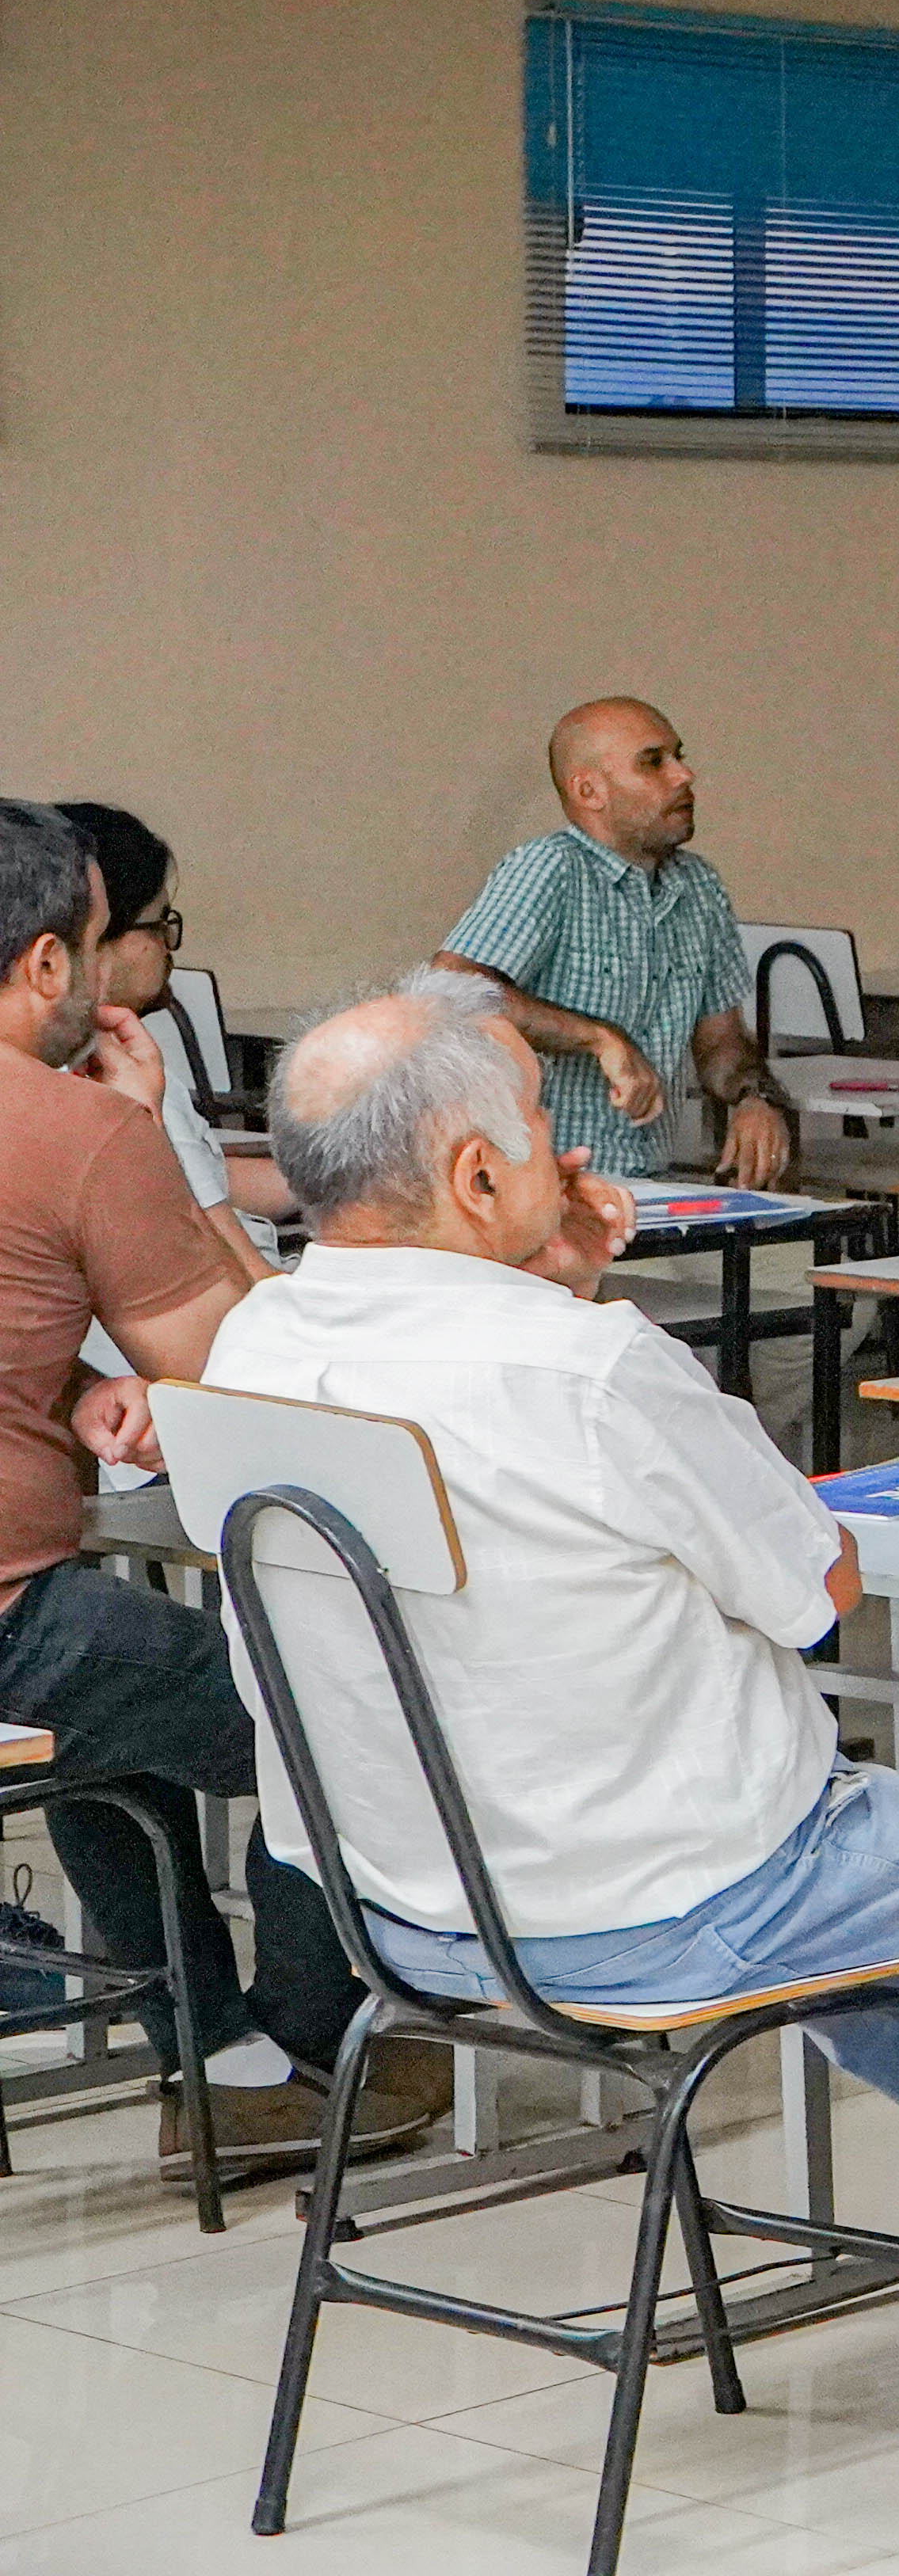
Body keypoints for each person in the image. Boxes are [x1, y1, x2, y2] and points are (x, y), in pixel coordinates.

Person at [207, 972, 899, 2361]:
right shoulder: (586, 1367)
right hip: (662, 1901)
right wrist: (583, 1306)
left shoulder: (250, 1341)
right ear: (473, 1176)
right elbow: (817, 1592)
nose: (569, 1151)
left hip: (397, 1911)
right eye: (537, 1119)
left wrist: (549, 1283)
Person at [0, 801, 429, 2179]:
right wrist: (153, 1159)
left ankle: (212, 2049)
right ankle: (301, 2056)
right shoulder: (77, 1130)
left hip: (39, 1622)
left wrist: (64, 1396)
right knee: (338, 1707)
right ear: (53, 966)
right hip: (14, 1623)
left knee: (115, 1708)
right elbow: (254, 1383)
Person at [434, 697, 794, 1188]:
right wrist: (598, 1038)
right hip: (533, 1189)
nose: (683, 775)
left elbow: (721, 1041)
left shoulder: (700, 887)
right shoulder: (550, 869)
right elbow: (450, 986)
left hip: (648, 1183)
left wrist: (755, 1099)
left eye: (679, 755)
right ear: (589, 791)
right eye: (653, 762)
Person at [57, 800, 286, 1254]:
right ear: (95, 939)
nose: (169, 945)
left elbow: (208, 1178)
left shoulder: (116, 1051)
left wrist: (353, 1178)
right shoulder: (108, 1078)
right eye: (160, 923)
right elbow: (230, 1272)